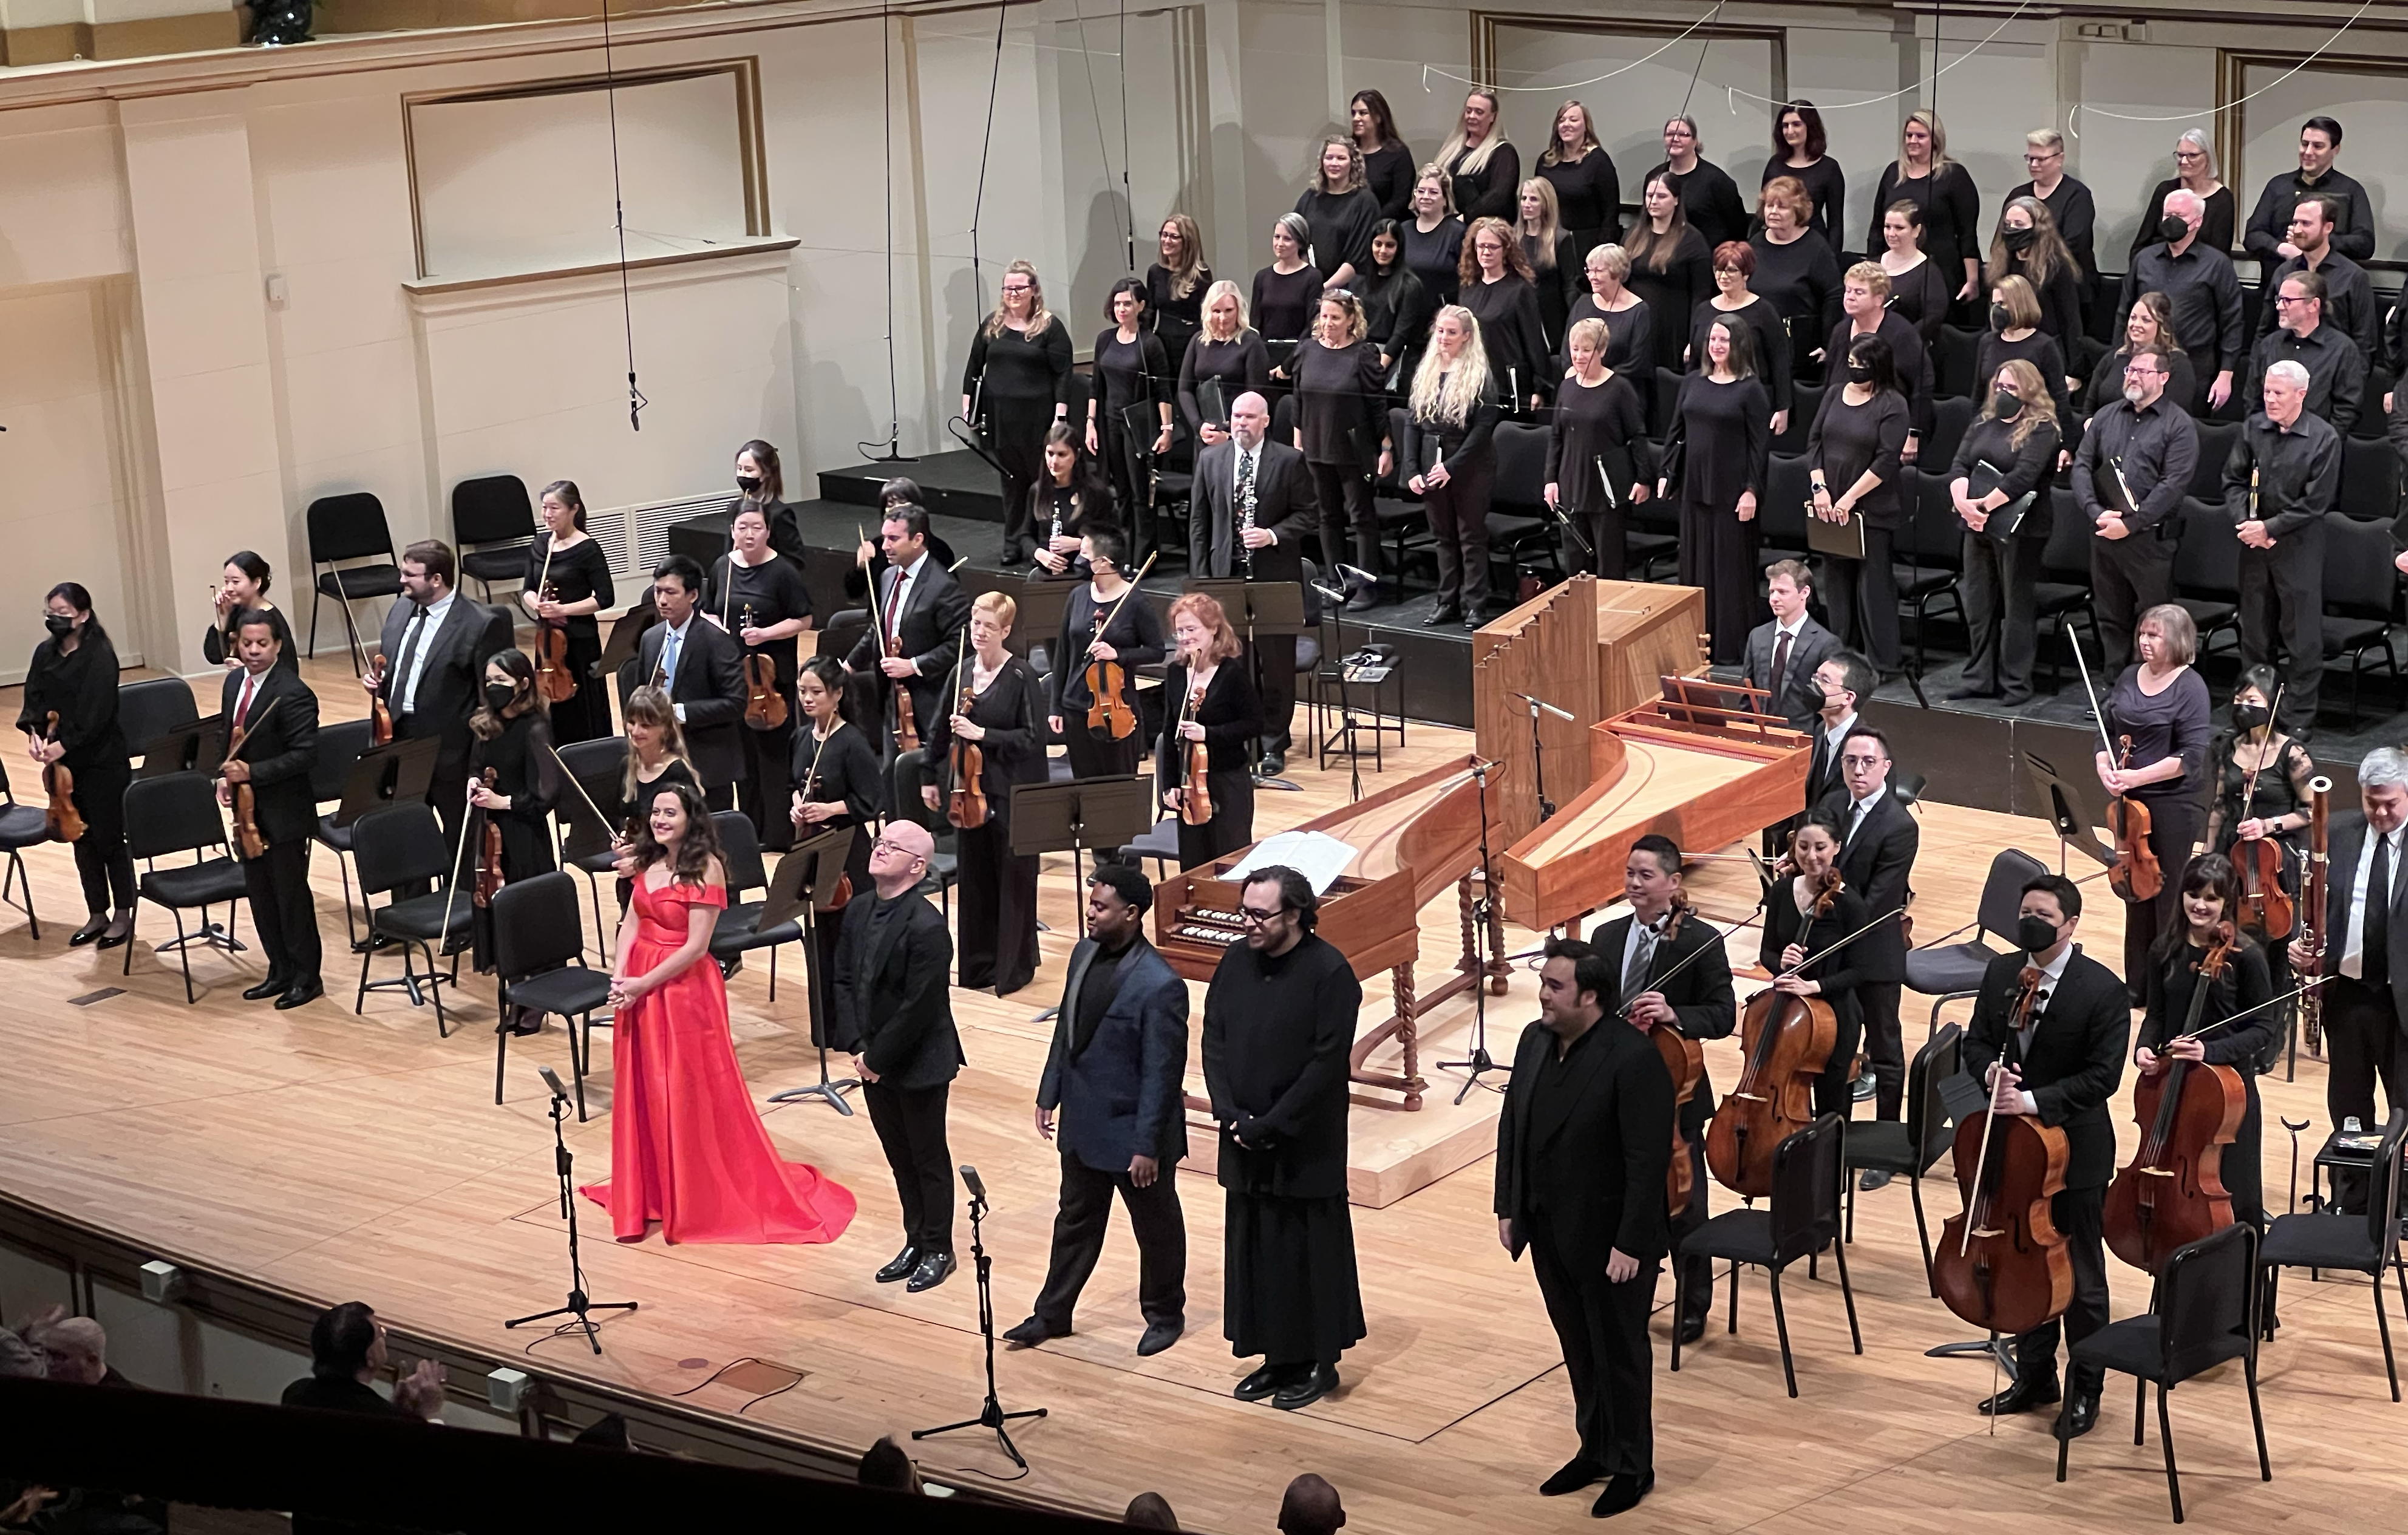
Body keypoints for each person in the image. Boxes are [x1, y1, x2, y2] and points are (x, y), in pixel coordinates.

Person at [579, 780, 854, 1245]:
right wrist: (619, 976)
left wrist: (643, 982)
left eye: (671, 813)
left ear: (692, 820)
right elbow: (631, 922)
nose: (661, 820)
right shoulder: (647, 861)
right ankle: (654, 1190)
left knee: (685, 1089)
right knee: (645, 1087)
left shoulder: (704, 867)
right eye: (657, 813)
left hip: (682, 988)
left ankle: (694, 1191)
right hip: (639, 985)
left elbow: (696, 947)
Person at [1494, 935, 1672, 1520]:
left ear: (1590, 996)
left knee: (1619, 1352)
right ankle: (1594, 1448)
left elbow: (1648, 1161)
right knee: (1578, 1347)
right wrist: (1508, 1206)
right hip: (1549, 1228)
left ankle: (1632, 1466)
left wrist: (1631, 1243)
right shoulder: (1534, 1041)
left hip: (1610, 1241)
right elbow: (1512, 1124)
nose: (1542, 994)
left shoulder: (1631, 1057)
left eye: (1554, 986)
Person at [1963, 874, 2129, 1439]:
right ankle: (2036, 1376)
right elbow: (1978, 1041)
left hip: (2075, 1151)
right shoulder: (2002, 972)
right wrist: (1989, 1070)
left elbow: (2104, 1078)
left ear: (2072, 925)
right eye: (2026, 910)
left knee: (2081, 1277)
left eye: (2044, 914)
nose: (2030, 921)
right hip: (2013, 1151)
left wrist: (2032, 1099)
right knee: (2024, 1263)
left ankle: (2087, 1388)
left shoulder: (2102, 990)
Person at [1008, 865, 1189, 1356]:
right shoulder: (1083, 953)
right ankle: (1052, 1313)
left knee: (1156, 1232)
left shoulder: (1161, 985)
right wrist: (1050, 1092)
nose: (1089, 913)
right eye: (1091, 904)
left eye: (1100, 907)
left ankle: (1165, 1314)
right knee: (1074, 1221)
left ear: (1131, 914)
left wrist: (1147, 1146)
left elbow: (1162, 1073)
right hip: (1085, 1122)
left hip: (1135, 1136)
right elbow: (1067, 1029)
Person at [1203, 865, 1365, 1411]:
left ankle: (1319, 1360)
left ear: (1295, 914)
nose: (1247, 923)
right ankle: (1276, 1355)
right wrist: (1229, 1113)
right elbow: (1214, 1039)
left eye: (1259, 914)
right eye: (1243, 911)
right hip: (1242, 1132)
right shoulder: (1234, 961)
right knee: (1258, 1249)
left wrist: (1270, 1124)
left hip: (1302, 1140)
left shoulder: (1329, 973)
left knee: (1308, 1250)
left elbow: (1325, 1065)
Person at [1599, 834, 1734, 1343]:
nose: (1634, 883)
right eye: (1630, 874)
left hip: (1676, 1092)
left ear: (1674, 883)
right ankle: (1629, 1293)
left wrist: (1674, 1013)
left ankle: (1693, 1305)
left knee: (1684, 1207)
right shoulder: (1608, 938)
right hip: (1616, 1092)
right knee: (1623, 1202)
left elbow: (1723, 1015)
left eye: (1646, 875)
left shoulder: (1700, 941)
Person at [832, 820, 961, 1290]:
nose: (880, 849)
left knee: (927, 1157)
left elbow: (920, 1007)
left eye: (894, 846)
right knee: (898, 1155)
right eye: (880, 842)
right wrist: (857, 1045)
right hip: (872, 1059)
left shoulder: (928, 926)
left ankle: (939, 1248)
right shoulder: (860, 907)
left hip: (918, 1061)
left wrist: (877, 1059)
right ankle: (915, 1239)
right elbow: (843, 979)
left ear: (918, 865)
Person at [2289, 747, 2408, 1210]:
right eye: (2371, 802)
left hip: (2403, 1001)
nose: (2380, 812)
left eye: (2390, 803)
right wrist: (2298, 949)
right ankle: (2352, 1200)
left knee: (2405, 1107)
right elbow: (2314, 907)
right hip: (2349, 996)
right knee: (2350, 1107)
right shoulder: (2334, 834)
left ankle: (2399, 1200)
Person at [2138, 853, 2278, 1233]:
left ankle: (2240, 1283)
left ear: (2226, 903)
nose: (2200, 905)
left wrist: (2209, 1052)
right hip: (2173, 1086)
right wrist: (2145, 1047)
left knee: (2235, 1194)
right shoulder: (2163, 950)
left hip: (2228, 1093)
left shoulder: (2246, 957)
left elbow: (2263, 1029)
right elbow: (2156, 1014)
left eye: (2212, 898)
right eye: (2193, 894)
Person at [921, 591, 1043, 996]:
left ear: (1006, 631)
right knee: (974, 881)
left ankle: (1014, 969)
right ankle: (976, 967)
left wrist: (983, 735)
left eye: (989, 626)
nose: (980, 632)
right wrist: (927, 774)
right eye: (976, 623)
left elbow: (1031, 738)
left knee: (1012, 881)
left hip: (1010, 793)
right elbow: (940, 728)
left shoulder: (1022, 676)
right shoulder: (962, 672)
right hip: (967, 793)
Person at [1188, 395, 1315, 769]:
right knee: (1235, 664)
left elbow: (1310, 514)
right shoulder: (1211, 459)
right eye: (1236, 416)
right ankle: (1244, 736)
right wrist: (1200, 582)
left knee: (1276, 664)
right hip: (1225, 577)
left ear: (1265, 421)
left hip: (1274, 576)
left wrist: (1273, 535)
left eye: (1249, 417)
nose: (1241, 423)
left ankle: (1274, 741)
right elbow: (1199, 522)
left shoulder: (1290, 461)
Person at [364, 540, 514, 850]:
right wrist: (379, 684)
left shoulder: (480, 624)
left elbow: (492, 700)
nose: (401, 580)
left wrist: (478, 762)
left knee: (460, 840)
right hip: (400, 743)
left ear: (437, 579)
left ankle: (458, 898)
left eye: (410, 574)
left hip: (451, 753)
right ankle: (411, 899)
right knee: (406, 839)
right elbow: (397, 666)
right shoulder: (400, 608)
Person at [2097, 605, 2214, 993]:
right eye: (2142, 634)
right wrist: (2104, 764)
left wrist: (2137, 776)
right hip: (2131, 802)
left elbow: (2191, 756)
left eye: (2154, 635)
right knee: (2136, 890)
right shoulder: (2131, 676)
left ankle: (2168, 986)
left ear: (2177, 640)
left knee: (2166, 894)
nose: (2145, 642)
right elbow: (2107, 728)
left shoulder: (2191, 686)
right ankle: (2138, 983)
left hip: (2174, 802)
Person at [18, 584, 136, 948]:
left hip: (101, 762)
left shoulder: (100, 656)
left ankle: (122, 916)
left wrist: (63, 745)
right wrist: (36, 735)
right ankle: (97, 913)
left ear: (83, 615)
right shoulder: (45, 653)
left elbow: (96, 714)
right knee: (79, 838)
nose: (55, 620)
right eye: (50, 613)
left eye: (63, 614)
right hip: (63, 765)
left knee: (109, 839)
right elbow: (34, 699)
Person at [217, 610, 322, 1009]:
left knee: (290, 897)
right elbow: (224, 735)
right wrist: (222, 777)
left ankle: (307, 978)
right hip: (246, 812)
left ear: (278, 645)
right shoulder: (233, 684)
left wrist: (251, 772)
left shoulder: (293, 693)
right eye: (247, 644)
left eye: (263, 644)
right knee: (260, 894)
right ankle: (278, 970)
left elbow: (305, 756)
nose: (254, 651)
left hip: (284, 811)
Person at [2228, 360, 2340, 730]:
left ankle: (2296, 721)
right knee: (2255, 634)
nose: (2270, 399)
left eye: (2278, 393)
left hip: (2298, 547)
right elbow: (2232, 479)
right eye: (2267, 392)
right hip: (2254, 546)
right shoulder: (2253, 428)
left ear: (2301, 395)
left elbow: (2316, 501)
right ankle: (2254, 714)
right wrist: (2247, 523)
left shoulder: (2323, 438)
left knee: (2301, 639)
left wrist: (2271, 528)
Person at [1818, 726, 1917, 1134]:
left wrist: (1821, 890)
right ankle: (1833, 1135)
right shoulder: (1835, 802)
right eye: (1850, 761)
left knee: (1884, 1050)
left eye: (1868, 762)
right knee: (1838, 1050)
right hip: (1835, 950)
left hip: (1875, 952)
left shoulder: (1899, 826)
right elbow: (1815, 852)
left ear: (1886, 768)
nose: (1858, 770)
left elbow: (1877, 902)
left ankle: (1887, 1139)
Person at [2075, 346, 2199, 672]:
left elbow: (2173, 485)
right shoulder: (2105, 416)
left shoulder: (2179, 425)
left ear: (2163, 378)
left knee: (2153, 623)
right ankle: (2115, 687)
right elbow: (2082, 467)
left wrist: (2132, 524)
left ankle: (2148, 691)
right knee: (2110, 615)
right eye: (2130, 370)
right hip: (2105, 529)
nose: (2132, 376)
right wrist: (2094, 511)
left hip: (2149, 540)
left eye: (2142, 371)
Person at [845, 505, 971, 815]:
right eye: (884, 537)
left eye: (892, 539)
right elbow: (878, 627)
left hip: (930, 699)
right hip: (894, 699)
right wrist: (848, 666)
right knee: (893, 774)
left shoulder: (943, 587)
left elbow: (961, 645)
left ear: (917, 539)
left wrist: (913, 664)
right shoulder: (889, 576)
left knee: (927, 776)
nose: (883, 545)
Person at [1950, 359, 2063, 706]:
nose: (2004, 394)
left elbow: (2024, 477)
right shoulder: (1983, 421)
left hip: (2022, 528)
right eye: (2000, 387)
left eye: (2012, 388)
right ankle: (1980, 677)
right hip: (1976, 524)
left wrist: (1983, 507)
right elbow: (1960, 464)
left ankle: (2016, 682)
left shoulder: (2043, 428)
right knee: (1980, 603)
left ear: (2029, 391)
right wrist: (1963, 502)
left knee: (2016, 607)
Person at [1662, 315, 1772, 665]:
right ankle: (1693, 642)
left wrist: (1752, 490)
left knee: (1728, 571)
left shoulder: (1751, 388)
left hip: (1732, 492)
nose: (1716, 346)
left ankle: (1727, 646)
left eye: (1724, 340)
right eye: (1712, 339)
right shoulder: (1693, 380)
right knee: (1694, 566)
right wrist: (1667, 472)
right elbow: (1676, 429)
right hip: (1695, 488)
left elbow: (1759, 446)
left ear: (1738, 344)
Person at [2205, 667, 2316, 1005]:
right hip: (2233, 852)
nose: (2242, 705)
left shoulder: (2292, 753)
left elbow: (2312, 810)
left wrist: (2268, 826)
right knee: (2230, 930)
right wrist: (2208, 855)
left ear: (2271, 704)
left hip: (2275, 860)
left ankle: (2273, 1010)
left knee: (2275, 939)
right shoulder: (2228, 747)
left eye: (2252, 700)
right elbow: (2221, 804)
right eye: (2239, 698)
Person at [704, 499, 811, 848]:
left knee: (773, 761)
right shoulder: (723, 567)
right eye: (742, 528)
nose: (749, 535)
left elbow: (804, 619)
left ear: (768, 531)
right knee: (744, 763)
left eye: (757, 528)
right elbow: (709, 612)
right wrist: (718, 630)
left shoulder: (783, 572)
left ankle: (779, 834)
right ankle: (750, 832)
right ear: (732, 531)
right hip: (734, 679)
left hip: (772, 680)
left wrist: (766, 634)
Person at [790, 656, 881, 1049]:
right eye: (802, 691)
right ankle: (825, 1027)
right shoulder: (800, 737)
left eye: (816, 692)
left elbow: (871, 802)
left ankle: (852, 1030)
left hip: (847, 851)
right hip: (812, 847)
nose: (807, 699)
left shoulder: (852, 743)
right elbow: (794, 785)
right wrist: (797, 804)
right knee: (820, 938)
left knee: (848, 939)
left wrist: (830, 809)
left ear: (838, 695)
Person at [1806, 331, 1910, 675]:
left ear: (1878, 368)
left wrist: (1850, 498)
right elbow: (1815, 441)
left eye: (1863, 366)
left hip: (1871, 508)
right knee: (1836, 585)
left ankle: (1881, 663)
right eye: (1851, 364)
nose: (1856, 371)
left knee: (1872, 586)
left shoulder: (1892, 403)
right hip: (1828, 505)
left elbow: (1886, 459)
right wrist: (1820, 488)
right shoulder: (1835, 393)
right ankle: (1840, 659)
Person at [1762, 814, 1876, 1119]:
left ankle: (1829, 1164)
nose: (1811, 857)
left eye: (1821, 848)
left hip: (1835, 1014)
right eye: (1803, 847)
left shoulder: (1850, 904)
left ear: (1836, 847)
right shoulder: (1782, 892)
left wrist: (1815, 987)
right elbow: (1766, 952)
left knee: (1831, 1103)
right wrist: (1780, 961)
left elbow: (1862, 969)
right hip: (1788, 1008)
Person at [964, 259, 1072, 565]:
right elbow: (974, 368)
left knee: (1040, 483)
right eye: (1008, 288)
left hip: (1038, 419)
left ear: (1034, 290)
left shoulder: (1050, 327)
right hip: (1001, 419)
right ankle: (1013, 543)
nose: (1013, 293)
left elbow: (1063, 374)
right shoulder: (992, 324)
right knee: (1011, 484)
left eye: (1020, 287)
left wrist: (1060, 417)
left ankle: (1041, 543)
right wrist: (968, 407)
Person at [1404, 305, 1505, 627]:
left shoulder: (1481, 376)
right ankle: (1447, 601)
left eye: (1451, 333)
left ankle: (1475, 604)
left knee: (1470, 536)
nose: (1444, 338)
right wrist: (1411, 470)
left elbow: (1482, 431)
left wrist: (1452, 466)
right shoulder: (1427, 370)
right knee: (1443, 537)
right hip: (1431, 463)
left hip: (1469, 465)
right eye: (1440, 331)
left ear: (1466, 337)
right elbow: (1413, 423)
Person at [466, 649, 560, 984]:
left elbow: (546, 796)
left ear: (523, 684)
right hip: (489, 834)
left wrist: (501, 801)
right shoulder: (486, 722)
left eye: (501, 681)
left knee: (526, 914)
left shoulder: (535, 727)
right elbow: (478, 766)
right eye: (489, 680)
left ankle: (537, 988)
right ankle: (510, 978)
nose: (494, 687)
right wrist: (473, 782)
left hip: (522, 835)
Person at [1290, 291, 1389, 607]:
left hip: (1353, 448)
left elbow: (1377, 405)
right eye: (1324, 316)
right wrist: (1298, 432)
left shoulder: (1363, 354)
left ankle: (1366, 585)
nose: (1328, 323)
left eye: (1335, 318)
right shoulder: (1307, 350)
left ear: (1351, 321)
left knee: (1361, 517)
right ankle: (1336, 582)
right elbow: (1298, 395)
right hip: (1317, 444)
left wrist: (1386, 447)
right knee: (1327, 516)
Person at [627, 556, 743, 812]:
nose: (662, 600)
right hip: (661, 759)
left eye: (671, 592)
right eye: (658, 591)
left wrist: (677, 713)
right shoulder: (650, 638)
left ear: (692, 595)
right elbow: (641, 696)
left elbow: (735, 703)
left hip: (706, 761)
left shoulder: (716, 642)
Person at [1054, 528, 1171, 780]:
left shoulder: (1135, 602)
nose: (1078, 560)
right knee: (1084, 784)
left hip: (1117, 710)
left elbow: (1157, 652)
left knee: (1118, 785)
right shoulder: (1077, 596)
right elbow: (1063, 654)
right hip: (1075, 706)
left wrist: (1117, 654)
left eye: (1085, 554)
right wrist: (1055, 707)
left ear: (1104, 563)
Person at [1544, 316, 1655, 580]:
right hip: (1571, 483)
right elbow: (1556, 437)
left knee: (1609, 563)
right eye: (1575, 349)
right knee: (1576, 563)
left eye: (1587, 350)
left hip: (1606, 487)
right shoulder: (1567, 386)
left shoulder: (1619, 389)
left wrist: (1643, 479)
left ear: (1602, 351)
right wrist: (1550, 480)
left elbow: (1637, 436)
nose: (1579, 356)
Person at [1158, 591, 1262, 870]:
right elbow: (1170, 733)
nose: (1184, 636)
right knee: (1193, 861)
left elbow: (1254, 724)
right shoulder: (1177, 673)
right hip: (1187, 784)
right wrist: (1169, 784)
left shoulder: (1232, 674)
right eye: (1179, 631)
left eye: (1191, 629)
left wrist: (1209, 734)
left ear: (1213, 629)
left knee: (1230, 858)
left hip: (1228, 780)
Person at [2121, 189, 2245, 412]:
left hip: (2195, 368)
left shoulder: (2217, 264)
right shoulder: (2145, 259)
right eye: (2167, 215)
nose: (2172, 221)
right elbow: (2124, 311)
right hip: (2143, 365)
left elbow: (2232, 321)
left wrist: (2226, 373)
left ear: (2197, 221)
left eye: (2179, 216)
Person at [520, 479, 617, 746]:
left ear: (574, 510)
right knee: (552, 696)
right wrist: (536, 604)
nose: (548, 514)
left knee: (585, 701)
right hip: (547, 638)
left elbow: (605, 598)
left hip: (580, 638)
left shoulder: (587, 549)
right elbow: (528, 589)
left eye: (555, 508)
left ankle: (594, 750)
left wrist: (563, 609)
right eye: (544, 508)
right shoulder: (540, 545)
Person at [1867, 111, 1980, 312]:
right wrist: (1870, 271)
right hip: (1896, 270)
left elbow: (1967, 233)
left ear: (1935, 139)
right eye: (1909, 136)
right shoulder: (1894, 173)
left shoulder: (1954, 175)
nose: (1913, 141)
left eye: (1920, 136)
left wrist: (1972, 279)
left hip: (1942, 269)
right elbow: (1877, 227)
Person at [2243, 115, 2376, 280]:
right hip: (2278, 287)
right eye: (2305, 144)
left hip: (2331, 290)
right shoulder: (2278, 186)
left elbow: (2365, 244)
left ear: (2335, 150)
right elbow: (2253, 235)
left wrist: (2318, 242)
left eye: (2318, 146)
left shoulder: (2351, 191)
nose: (2308, 152)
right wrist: (2281, 248)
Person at [1089, 278, 1175, 529]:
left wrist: (1166, 429)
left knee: (1139, 490)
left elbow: (1163, 390)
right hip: (1110, 422)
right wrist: (1090, 424)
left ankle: (1143, 553)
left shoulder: (1150, 343)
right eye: (1117, 303)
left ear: (1141, 306)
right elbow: (1096, 386)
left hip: (1137, 425)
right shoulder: (1105, 339)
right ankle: (1125, 546)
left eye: (1128, 303)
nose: (1121, 309)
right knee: (1121, 488)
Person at [2252, 195, 2378, 358]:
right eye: (2295, 223)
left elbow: (2365, 342)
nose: (2297, 230)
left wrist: (2353, 381)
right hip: (2285, 370)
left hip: (2332, 370)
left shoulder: (2353, 277)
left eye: (2306, 223)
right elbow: (2264, 331)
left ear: (2328, 228)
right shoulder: (2283, 272)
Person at [2245, 268, 2365, 432]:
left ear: (2313, 305)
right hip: (2269, 442)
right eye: (2279, 299)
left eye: (2288, 300)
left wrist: (2323, 442)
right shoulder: (2270, 344)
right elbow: (2253, 398)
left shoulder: (2342, 349)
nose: (2280, 306)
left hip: (2318, 447)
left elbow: (2347, 409)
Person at [1691, 241, 1793, 432]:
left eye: (1731, 270)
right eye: (1718, 270)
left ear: (1746, 273)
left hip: (1749, 402)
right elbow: (1696, 362)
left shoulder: (1764, 311)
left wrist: (1783, 408)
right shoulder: (1703, 310)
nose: (1723, 276)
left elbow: (1780, 360)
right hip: (1708, 400)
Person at [281, 1302, 444, 1421]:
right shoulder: (381, 1417)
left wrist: (397, 1408)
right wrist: (424, 1412)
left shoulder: (296, 1393)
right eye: (381, 1332)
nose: (383, 1337)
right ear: (370, 1357)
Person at [1826, 261, 1932, 438]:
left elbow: (1923, 383)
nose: (1850, 297)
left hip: (1886, 429)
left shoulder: (1902, 333)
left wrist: (1913, 433)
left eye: (1859, 292)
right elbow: (1830, 382)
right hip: (1843, 427)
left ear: (1879, 299)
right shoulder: (1840, 331)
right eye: (1848, 290)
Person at [1750, 177, 1841, 383]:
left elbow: (1833, 296)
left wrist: (1828, 344)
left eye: (1782, 207)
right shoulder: (1756, 243)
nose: (1773, 211)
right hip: (1756, 346)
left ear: (1798, 211)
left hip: (1799, 352)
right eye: (1769, 205)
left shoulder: (1816, 247)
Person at [1623, 172, 1712, 375]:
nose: (1653, 201)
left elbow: (1701, 296)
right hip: (1635, 325)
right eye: (1649, 196)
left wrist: (1694, 339)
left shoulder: (1692, 241)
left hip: (1672, 329)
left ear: (1676, 200)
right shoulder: (1633, 234)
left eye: (1661, 196)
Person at [1458, 216, 1549, 414]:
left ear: (1506, 249)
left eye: (1493, 247)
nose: (1486, 252)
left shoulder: (1519, 290)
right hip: (1472, 382)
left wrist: (1539, 388)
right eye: (1481, 246)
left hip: (1508, 385)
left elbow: (1534, 341)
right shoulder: (1469, 287)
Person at [1742, 559, 1840, 732]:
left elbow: (1829, 705)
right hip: (1760, 733)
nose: (1774, 599)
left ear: (1804, 593)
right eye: (1772, 592)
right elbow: (1748, 695)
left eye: (1782, 592)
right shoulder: (1757, 636)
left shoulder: (1826, 643)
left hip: (1802, 737)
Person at [1988, 196, 2086, 363]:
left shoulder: (2056, 266)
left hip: (2044, 353)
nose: (2011, 229)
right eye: (2007, 224)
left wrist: (2074, 370)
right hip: (2006, 348)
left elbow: (2070, 320)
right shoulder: (2002, 263)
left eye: (2019, 224)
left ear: (2038, 228)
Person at [1560, 244, 1656, 412]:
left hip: (1619, 396)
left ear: (1618, 272)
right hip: (1580, 390)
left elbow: (1638, 363)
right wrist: (1572, 372)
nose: (1592, 276)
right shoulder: (1583, 303)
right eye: (1589, 270)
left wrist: (1599, 380)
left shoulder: (1639, 311)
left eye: (1599, 271)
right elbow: (1567, 348)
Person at [2006, 129, 2097, 306]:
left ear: (2060, 159)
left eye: (2041, 159)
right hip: (2021, 287)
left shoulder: (2077, 196)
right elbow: (2004, 240)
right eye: (2030, 158)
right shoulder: (2018, 195)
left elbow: (2074, 245)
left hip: (2066, 289)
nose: (2033, 164)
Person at [1175, 279, 1271, 444]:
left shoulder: (1251, 342)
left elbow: (1256, 396)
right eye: (1216, 311)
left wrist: (1228, 435)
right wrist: (1199, 426)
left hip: (1240, 435)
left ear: (1238, 310)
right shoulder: (1198, 341)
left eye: (1229, 310)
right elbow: (1184, 389)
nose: (1222, 317)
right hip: (1206, 432)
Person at [2087, 292, 2199, 426]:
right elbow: (2089, 407)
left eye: (2146, 320)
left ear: (2161, 326)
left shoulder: (2177, 364)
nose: (2136, 324)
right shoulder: (2114, 357)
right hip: (2102, 435)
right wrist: (2089, 423)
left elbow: (2174, 416)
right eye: (2133, 318)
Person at [1976, 274, 2072, 426]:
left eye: (2002, 303)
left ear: (2019, 304)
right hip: (1992, 425)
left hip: (2031, 426)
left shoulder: (2044, 345)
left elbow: (2060, 397)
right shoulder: (1987, 341)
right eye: (1994, 304)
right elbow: (1978, 393)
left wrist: (2067, 445)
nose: (1996, 310)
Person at [2132, 128, 2235, 263]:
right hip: (2159, 270)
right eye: (2180, 155)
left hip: (2201, 276)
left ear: (2208, 158)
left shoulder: (2223, 200)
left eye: (2192, 155)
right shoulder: (2165, 191)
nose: (2184, 162)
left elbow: (2220, 255)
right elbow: (2142, 245)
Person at [1646, 115, 1747, 251]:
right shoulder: (1654, 177)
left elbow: (1738, 229)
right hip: (1663, 257)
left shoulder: (1718, 181)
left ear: (1695, 141)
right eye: (1670, 134)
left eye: (1683, 134)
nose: (1675, 139)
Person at [1039, 415, 1119, 584]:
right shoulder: (1038, 490)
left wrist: (1080, 543)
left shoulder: (1096, 492)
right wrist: (1039, 553)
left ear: (1077, 454)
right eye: (1050, 453)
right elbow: (1024, 535)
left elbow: (1114, 539)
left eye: (1062, 455)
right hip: (1047, 574)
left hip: (1086, 577)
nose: (1054, 462)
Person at [1536, 100, 1620, 256]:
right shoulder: (1545, 161)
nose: (1566, 124)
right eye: (1561, 120)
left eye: (1573, 120)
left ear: (1586, 126)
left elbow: (1610, 212)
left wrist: (1601, 253)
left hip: (1587, 247)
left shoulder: (1599, 161)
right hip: (1550, 244)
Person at [1294, 137, 1379, 290]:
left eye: (1341, 158)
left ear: (1353, 163)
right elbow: (1297, 242)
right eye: (1329, 158)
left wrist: (1324, 289)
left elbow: (1358, 258)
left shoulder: (1365, 202)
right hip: (1313, 287)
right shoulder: (1310, 197)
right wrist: (1310, 283)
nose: (1334, 163)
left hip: (1351, 290)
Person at [1358, 219, 1433, 389]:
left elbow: (1401, 333)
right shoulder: (1359, 281)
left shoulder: (1410, 285)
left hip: (1391, 358)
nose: (1383, 251)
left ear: (1399, 248)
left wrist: (1379, 367)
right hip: (1360, 354)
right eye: (1378, 244)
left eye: (1390, 245)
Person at [1254, 213, 1324, 387]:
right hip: (1266, 359)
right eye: (1277, 237)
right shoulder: (1262, 277)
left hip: (1297, 360)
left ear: (1300, 243)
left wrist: (1287, 366)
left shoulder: (1312, 277)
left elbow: (1312, 326)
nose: (1280, 244)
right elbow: (1255, 324)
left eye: (1287, 239)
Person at [1764, 100, 1844, 247]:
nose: (1790, 131)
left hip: (1813, 244)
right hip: (1777, 242)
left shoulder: (1829, 168)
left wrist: (1833, 261)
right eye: (1785, 126)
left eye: (1796, 124)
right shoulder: (1774, 164)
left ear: (1810, 127)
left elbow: (1836, 223)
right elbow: (1764, 210)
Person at [203, 551, 296, 676]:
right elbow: (214, 657)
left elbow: (289, 670)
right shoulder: (236, 610)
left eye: (236, 582)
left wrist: (247, 670)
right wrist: (223, 618)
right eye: (226, 582)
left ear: (257, 583)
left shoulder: (271, 619)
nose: (229, 588)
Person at [1517, 178, 1583, 353]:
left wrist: (1574, 323)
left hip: (1549, 318)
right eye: (1524, 199)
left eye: (1534, 199)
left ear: (1546, 204)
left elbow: (1569, 285)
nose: (1527, 204)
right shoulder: (1513, 236)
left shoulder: (1560, 239)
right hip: (1520, 314)